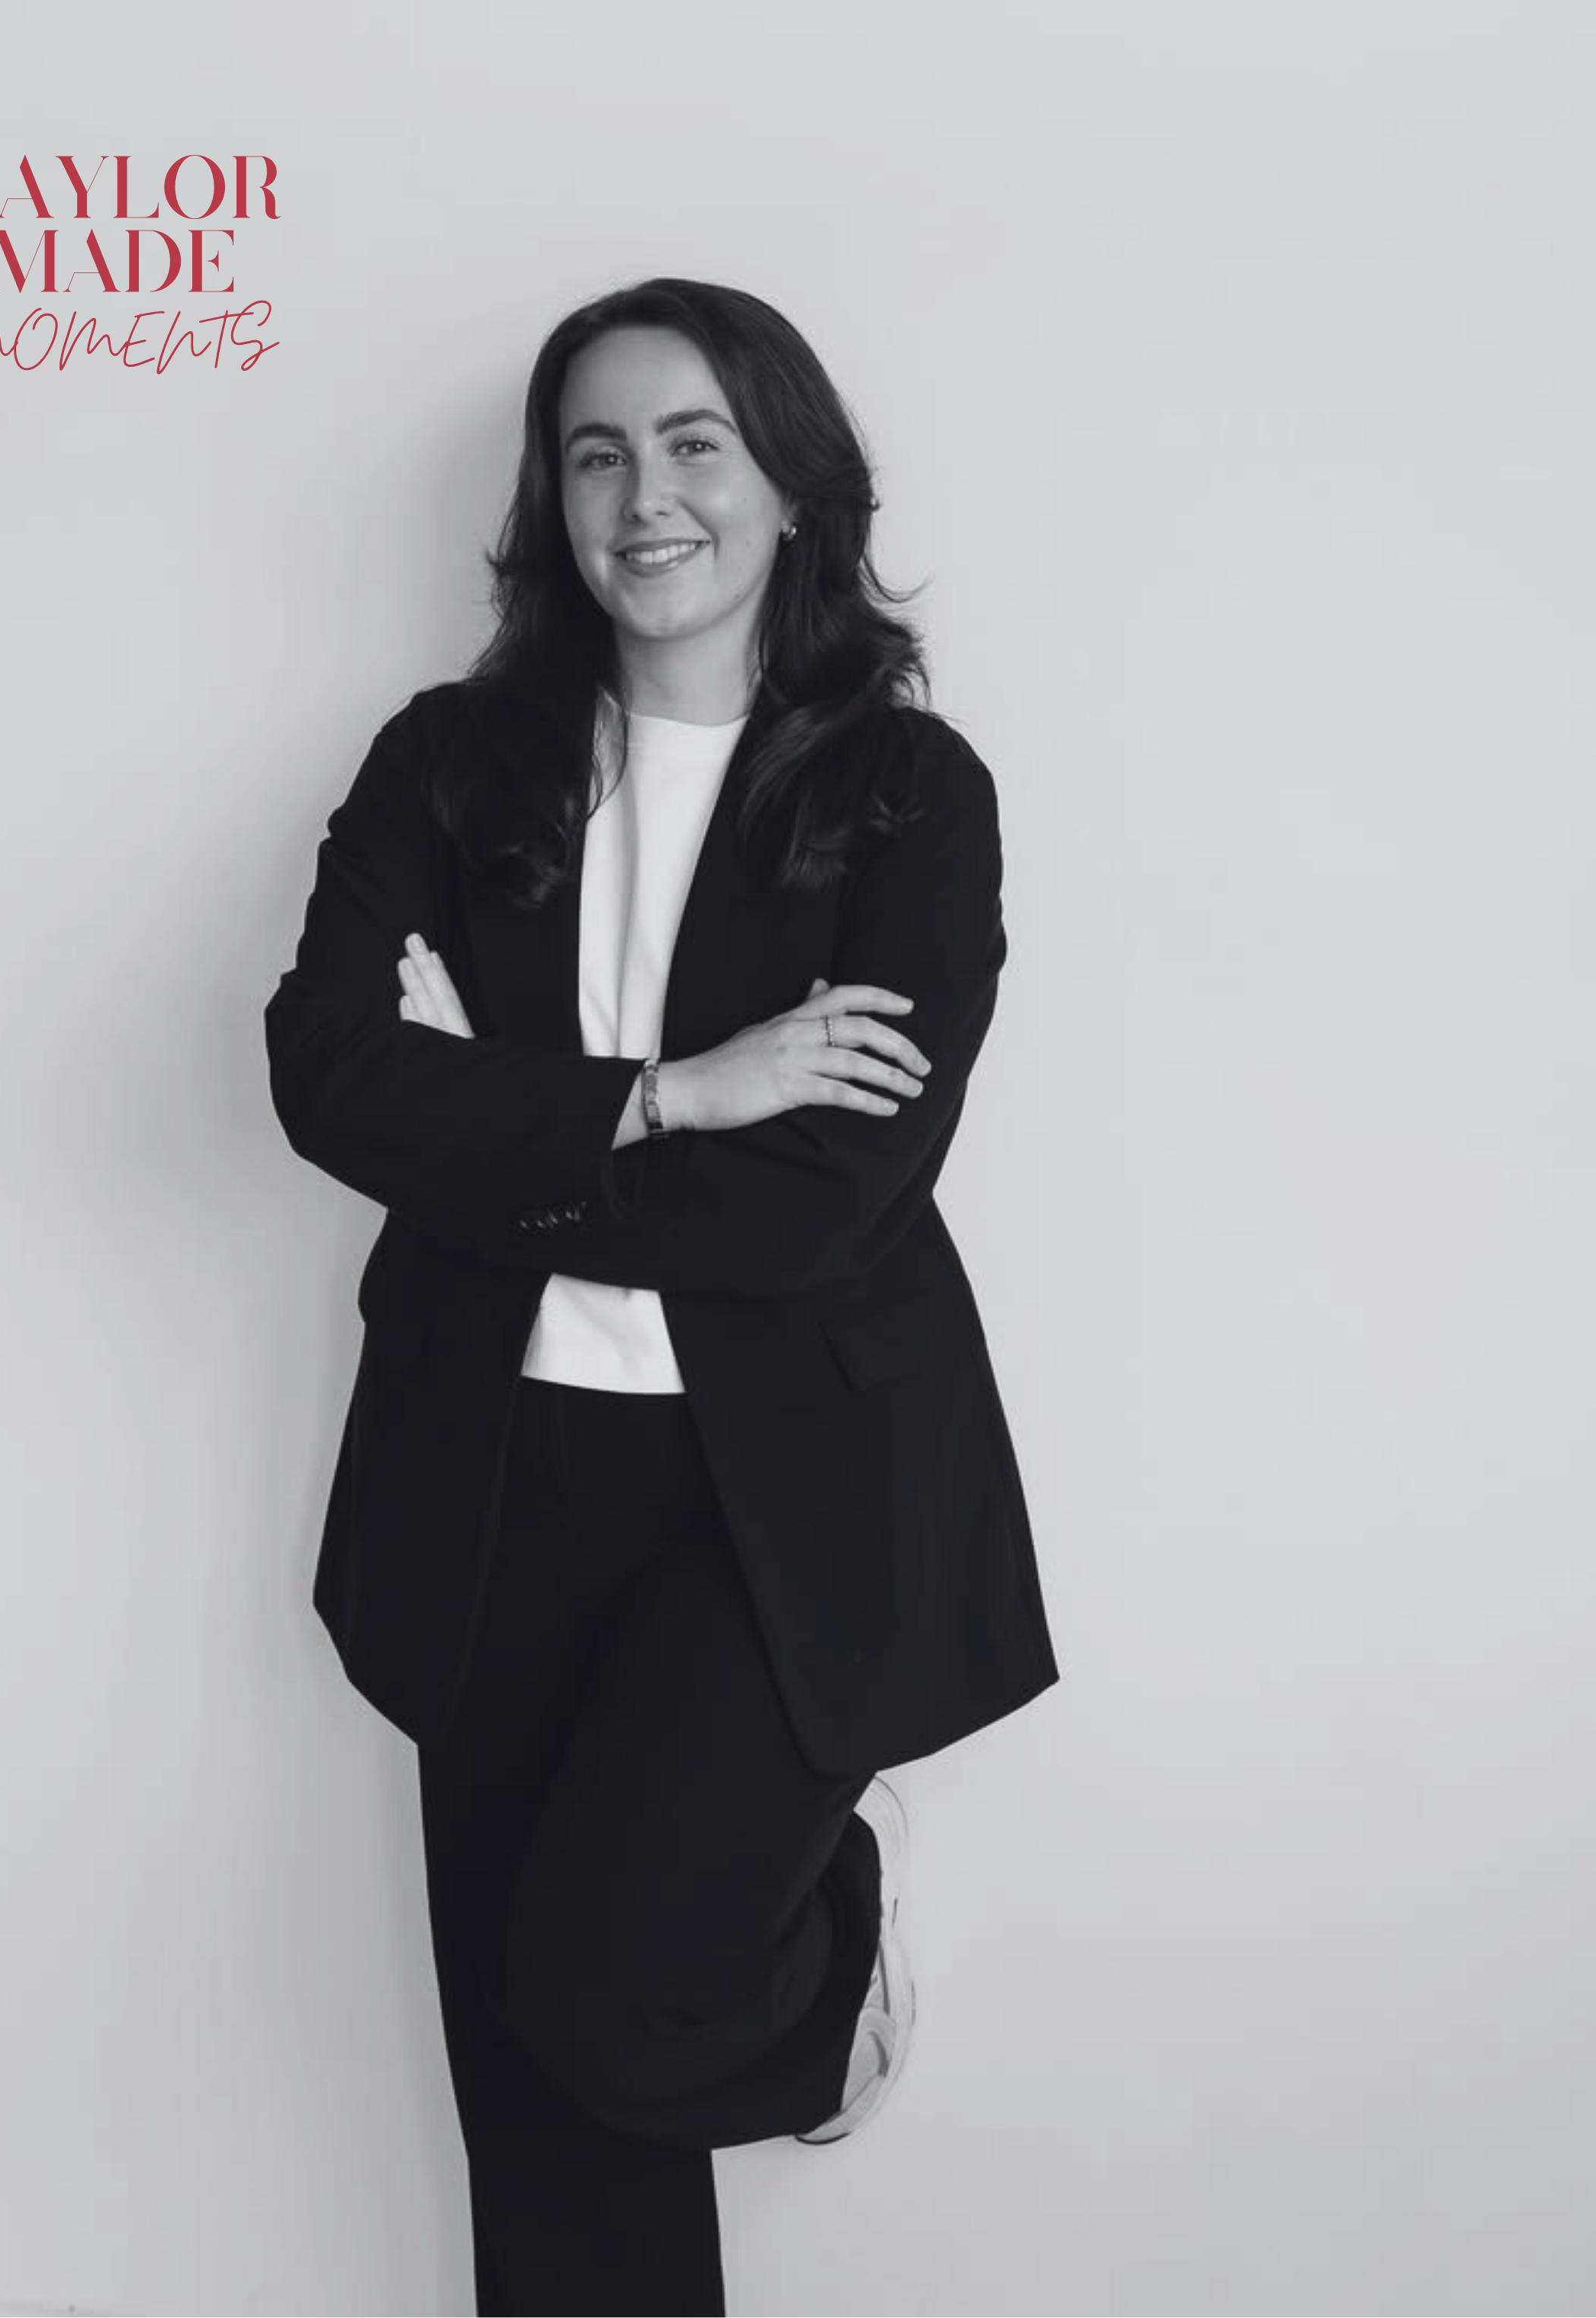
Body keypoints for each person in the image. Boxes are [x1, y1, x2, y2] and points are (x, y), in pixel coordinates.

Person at [264, 275, 1059, 2317]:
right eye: (596, 449)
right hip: (490, 1474)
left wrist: (493, 1142)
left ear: (790, 482)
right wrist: (670, 1097)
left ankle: (822, 1971)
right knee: (532, 2110)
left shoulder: (905, 795)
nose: (643, 493)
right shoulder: (452, 766)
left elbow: (821, 1204)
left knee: (611, 1990)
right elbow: (324, 1072)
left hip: (785, 1504)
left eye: (694, 439)